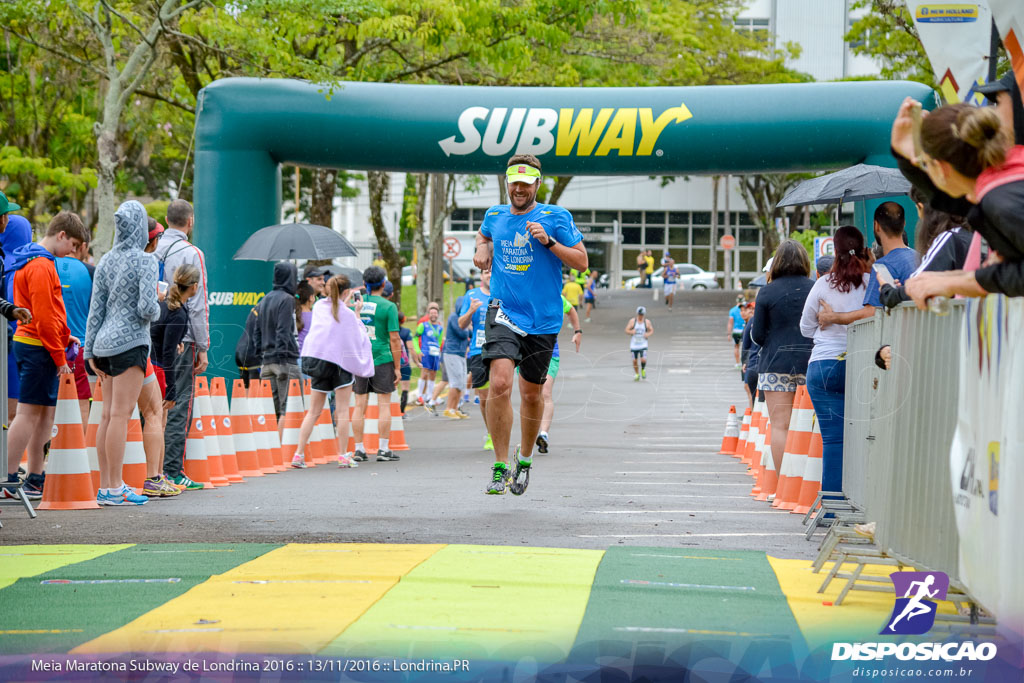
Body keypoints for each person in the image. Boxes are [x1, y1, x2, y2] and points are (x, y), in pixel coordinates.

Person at [473, 153, 587, 495]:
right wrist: (481, 249)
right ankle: (499, 465)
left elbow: (581, 262)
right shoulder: (495, 215)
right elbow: (483, 235)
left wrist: (549, 242)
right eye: (514, 183)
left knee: (531, 394)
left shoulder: (556, 217)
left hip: (543, 319)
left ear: (537, 184)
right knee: (499, 383)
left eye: (526, 183)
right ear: (507, 183)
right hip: (504, 310)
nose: (519, 189)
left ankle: (523, 460)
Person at [886, 100, 1024, 303]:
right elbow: (949, 199)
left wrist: (958, 282)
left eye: (926, 165)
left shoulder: (1002, 202)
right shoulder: (1005, 177)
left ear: (941, 169)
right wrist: (907, 156)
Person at [2, 211, 83, 500]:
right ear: (61, 235)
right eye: (72, 245)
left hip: (37, 342)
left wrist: (63, 337)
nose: (72, 252)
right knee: (28, 413)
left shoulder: (36, 261)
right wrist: (60, 357)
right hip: (37, 345)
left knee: (43, 414)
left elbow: (50, 314)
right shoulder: (40, 266)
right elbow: (46, 316)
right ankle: (7, 476)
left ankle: (35, 476)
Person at [84, 201, 160, 506]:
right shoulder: (145, 261)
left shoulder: (105, 261)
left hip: (102, 344)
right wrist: (158, 302)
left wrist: (90, 352)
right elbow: (145, 308)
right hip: (131, 343)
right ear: (141, 227)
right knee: (120, 415)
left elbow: (95, 311)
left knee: (106, 415)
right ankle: (116, 488)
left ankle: (107, 485)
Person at [801, 226, 870, 497]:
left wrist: (828, 322)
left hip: (824, 366)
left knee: (833, 440)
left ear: (835, 251)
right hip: (861, 365)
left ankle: (831, 509)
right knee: (864, 438)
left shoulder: (822, 285)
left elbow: (806, 328)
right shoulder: (871, 282)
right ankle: (861, 501)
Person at [155, 199, 209, 490]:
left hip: (151, 335)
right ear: (190, 222)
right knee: (177, 404)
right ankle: (172, 470)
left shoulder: (152, 248)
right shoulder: (191, 254)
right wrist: (203, 346)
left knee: (152, 406)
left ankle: (150, 468)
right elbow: (198, 305)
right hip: (181, 339)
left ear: (166, 219)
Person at [292, 274, 373, 469]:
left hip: (318, 362)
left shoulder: (319, 307)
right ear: (346, 292)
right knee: (343, 411)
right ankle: (343, 455)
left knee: (313, 411)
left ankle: (298, 454)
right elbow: (360, 336)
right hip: (340, 365)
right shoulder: (346, 314)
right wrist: (357, 313)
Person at [749, 239, 814, 479]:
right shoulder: (814, 287)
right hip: (810, 362)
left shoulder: (766, 292)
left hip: (776, 364)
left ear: (777, 263)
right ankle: (810, 482)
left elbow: (757, 336)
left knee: (780, 425)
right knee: (811, 426)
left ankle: (784, 484)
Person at [144, 263, 200, 496]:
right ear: (194, 287)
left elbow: (162, 338)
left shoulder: (165, 305)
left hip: (150, 362)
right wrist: (171, 388)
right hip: (157, 368)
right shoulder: (179, 312)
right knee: (158, 420)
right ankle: (154, 476)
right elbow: (167, 352)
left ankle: (159, 475)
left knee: (158, 420)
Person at [817, 202, 919, 327]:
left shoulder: (883, 266)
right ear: (904, 224)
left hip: (901, 339)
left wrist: (834, 317)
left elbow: (871, 312)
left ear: (876, 226)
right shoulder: (920, 257)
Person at [351, 266, 402, 462]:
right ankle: (383, 448)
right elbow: (395, 338)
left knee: (359, 404)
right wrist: (397, 368)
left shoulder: (355, 305)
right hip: (382, 358)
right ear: (383, 284)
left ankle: (358, 449)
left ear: (364, 285)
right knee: (384, 405)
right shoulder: (388, 306)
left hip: (361, 359)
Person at [252, 261, 301, 433]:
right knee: (289, 407)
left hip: (267, 361)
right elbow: (283, 329)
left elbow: (256, 329)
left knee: (271, 410)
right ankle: (284, 449)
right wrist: (282, 357)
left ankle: (271, 449)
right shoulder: (287, 300)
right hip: (284, 359)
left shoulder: (265, 299)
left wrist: (262, 353)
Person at [56, 225, 93, 428]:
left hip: (49, 344)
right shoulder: (90, 272)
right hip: (80, 347)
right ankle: (83, 455)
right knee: (81, 404)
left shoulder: (47, 265)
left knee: (48, 404)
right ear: (83, 246)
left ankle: (47, 452)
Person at [535, 295, 582, 454]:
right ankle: (530, 435)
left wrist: (577, 331)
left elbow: (571, 311)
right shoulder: (526, 290)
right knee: (532, 395)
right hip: (527, 352)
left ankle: (543, 434)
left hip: (550, 353)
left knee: (545, 393)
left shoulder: (555, 295)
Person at [0, 209, 34, 426]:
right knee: (12, 414)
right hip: (14, 346)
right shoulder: (21, 266)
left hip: (9, 344)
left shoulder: (6, 263)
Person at [459, 268, 493, 450]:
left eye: (492, 272)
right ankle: (491, 433)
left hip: (499, 349)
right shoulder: (471, 295)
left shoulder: (502, 293)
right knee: (485, 398)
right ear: (481, 276)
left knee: (500, 392)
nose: (489, 275)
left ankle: (499, 432)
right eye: (486, 272)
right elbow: (461, 324)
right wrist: (471, 311)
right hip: (478, 351)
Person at [441, 297, 472, 419]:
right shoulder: (454, 317)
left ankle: (455, 408)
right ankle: (449, 408)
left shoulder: (464, 319)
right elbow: (463, 333)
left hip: (460, 353)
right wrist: (468, 328)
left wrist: (468, 328)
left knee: (461, 382)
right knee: (455, 382)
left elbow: (470, 332)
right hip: (452, 353)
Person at [413, 302, 443, 407]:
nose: (433, 315)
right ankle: (420, 396)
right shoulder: (423, 325)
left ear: (437, 314)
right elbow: (415, 338)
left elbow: (439, 341)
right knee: (424, 373)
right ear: (428, 314)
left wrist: (438, 350)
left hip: (435, 354)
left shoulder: (440, 327)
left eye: (435, 313)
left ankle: (430, 396)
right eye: (431, 313)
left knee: (433, 374)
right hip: (425, 352)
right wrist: (418, 351)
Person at [397, 312, 419, 416]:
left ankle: (392, 411)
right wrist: (417, 362)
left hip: (391, 363)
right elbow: (411, 348)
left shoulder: (387, 331)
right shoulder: (406, 332)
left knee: (391, 388)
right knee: (405, 388)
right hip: (404, 363)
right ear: (403, 320)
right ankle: (401, 411)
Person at [235, 304, 261, 389]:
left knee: (246, 390)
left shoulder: (259, 307)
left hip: (241, 350)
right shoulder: (269, 307)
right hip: (252, 353)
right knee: (255, 392)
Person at [739, 303, 759, 408]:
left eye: (753, 309)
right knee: (748, 388)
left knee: (749, 388)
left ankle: (752, 412)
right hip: (750, 361)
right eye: (748, 309)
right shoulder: (748, 323)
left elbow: (746, 345)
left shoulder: (752, 322)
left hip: (752, 362)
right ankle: (751, 411)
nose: (750, 311)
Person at [295, 281, 316, 378]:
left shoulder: (293, 315)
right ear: (311, 297)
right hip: (310, 361)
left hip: (294, 362)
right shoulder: (316, 317)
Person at [626, 306, 653, 381]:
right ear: (637, 314)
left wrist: (648, 334)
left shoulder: (647, 322)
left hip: (643, 344)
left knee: (643, 360)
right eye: (639, 314)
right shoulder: (632, 321)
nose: (640, 316)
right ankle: (637, 374)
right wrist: (631, 332)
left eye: (642, 315)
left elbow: (651, 330)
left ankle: (643, 370)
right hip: (634, 345)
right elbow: (626, 330)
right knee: (634, 361)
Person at [728, 294, 745, 368]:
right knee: (746, 347)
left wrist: (729, 333)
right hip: (744, 330)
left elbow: (730, 323)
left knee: (736, 347)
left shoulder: (732, 310)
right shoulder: (745, 309)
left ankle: (738, 363)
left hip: (736, 331)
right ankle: (744, 362)